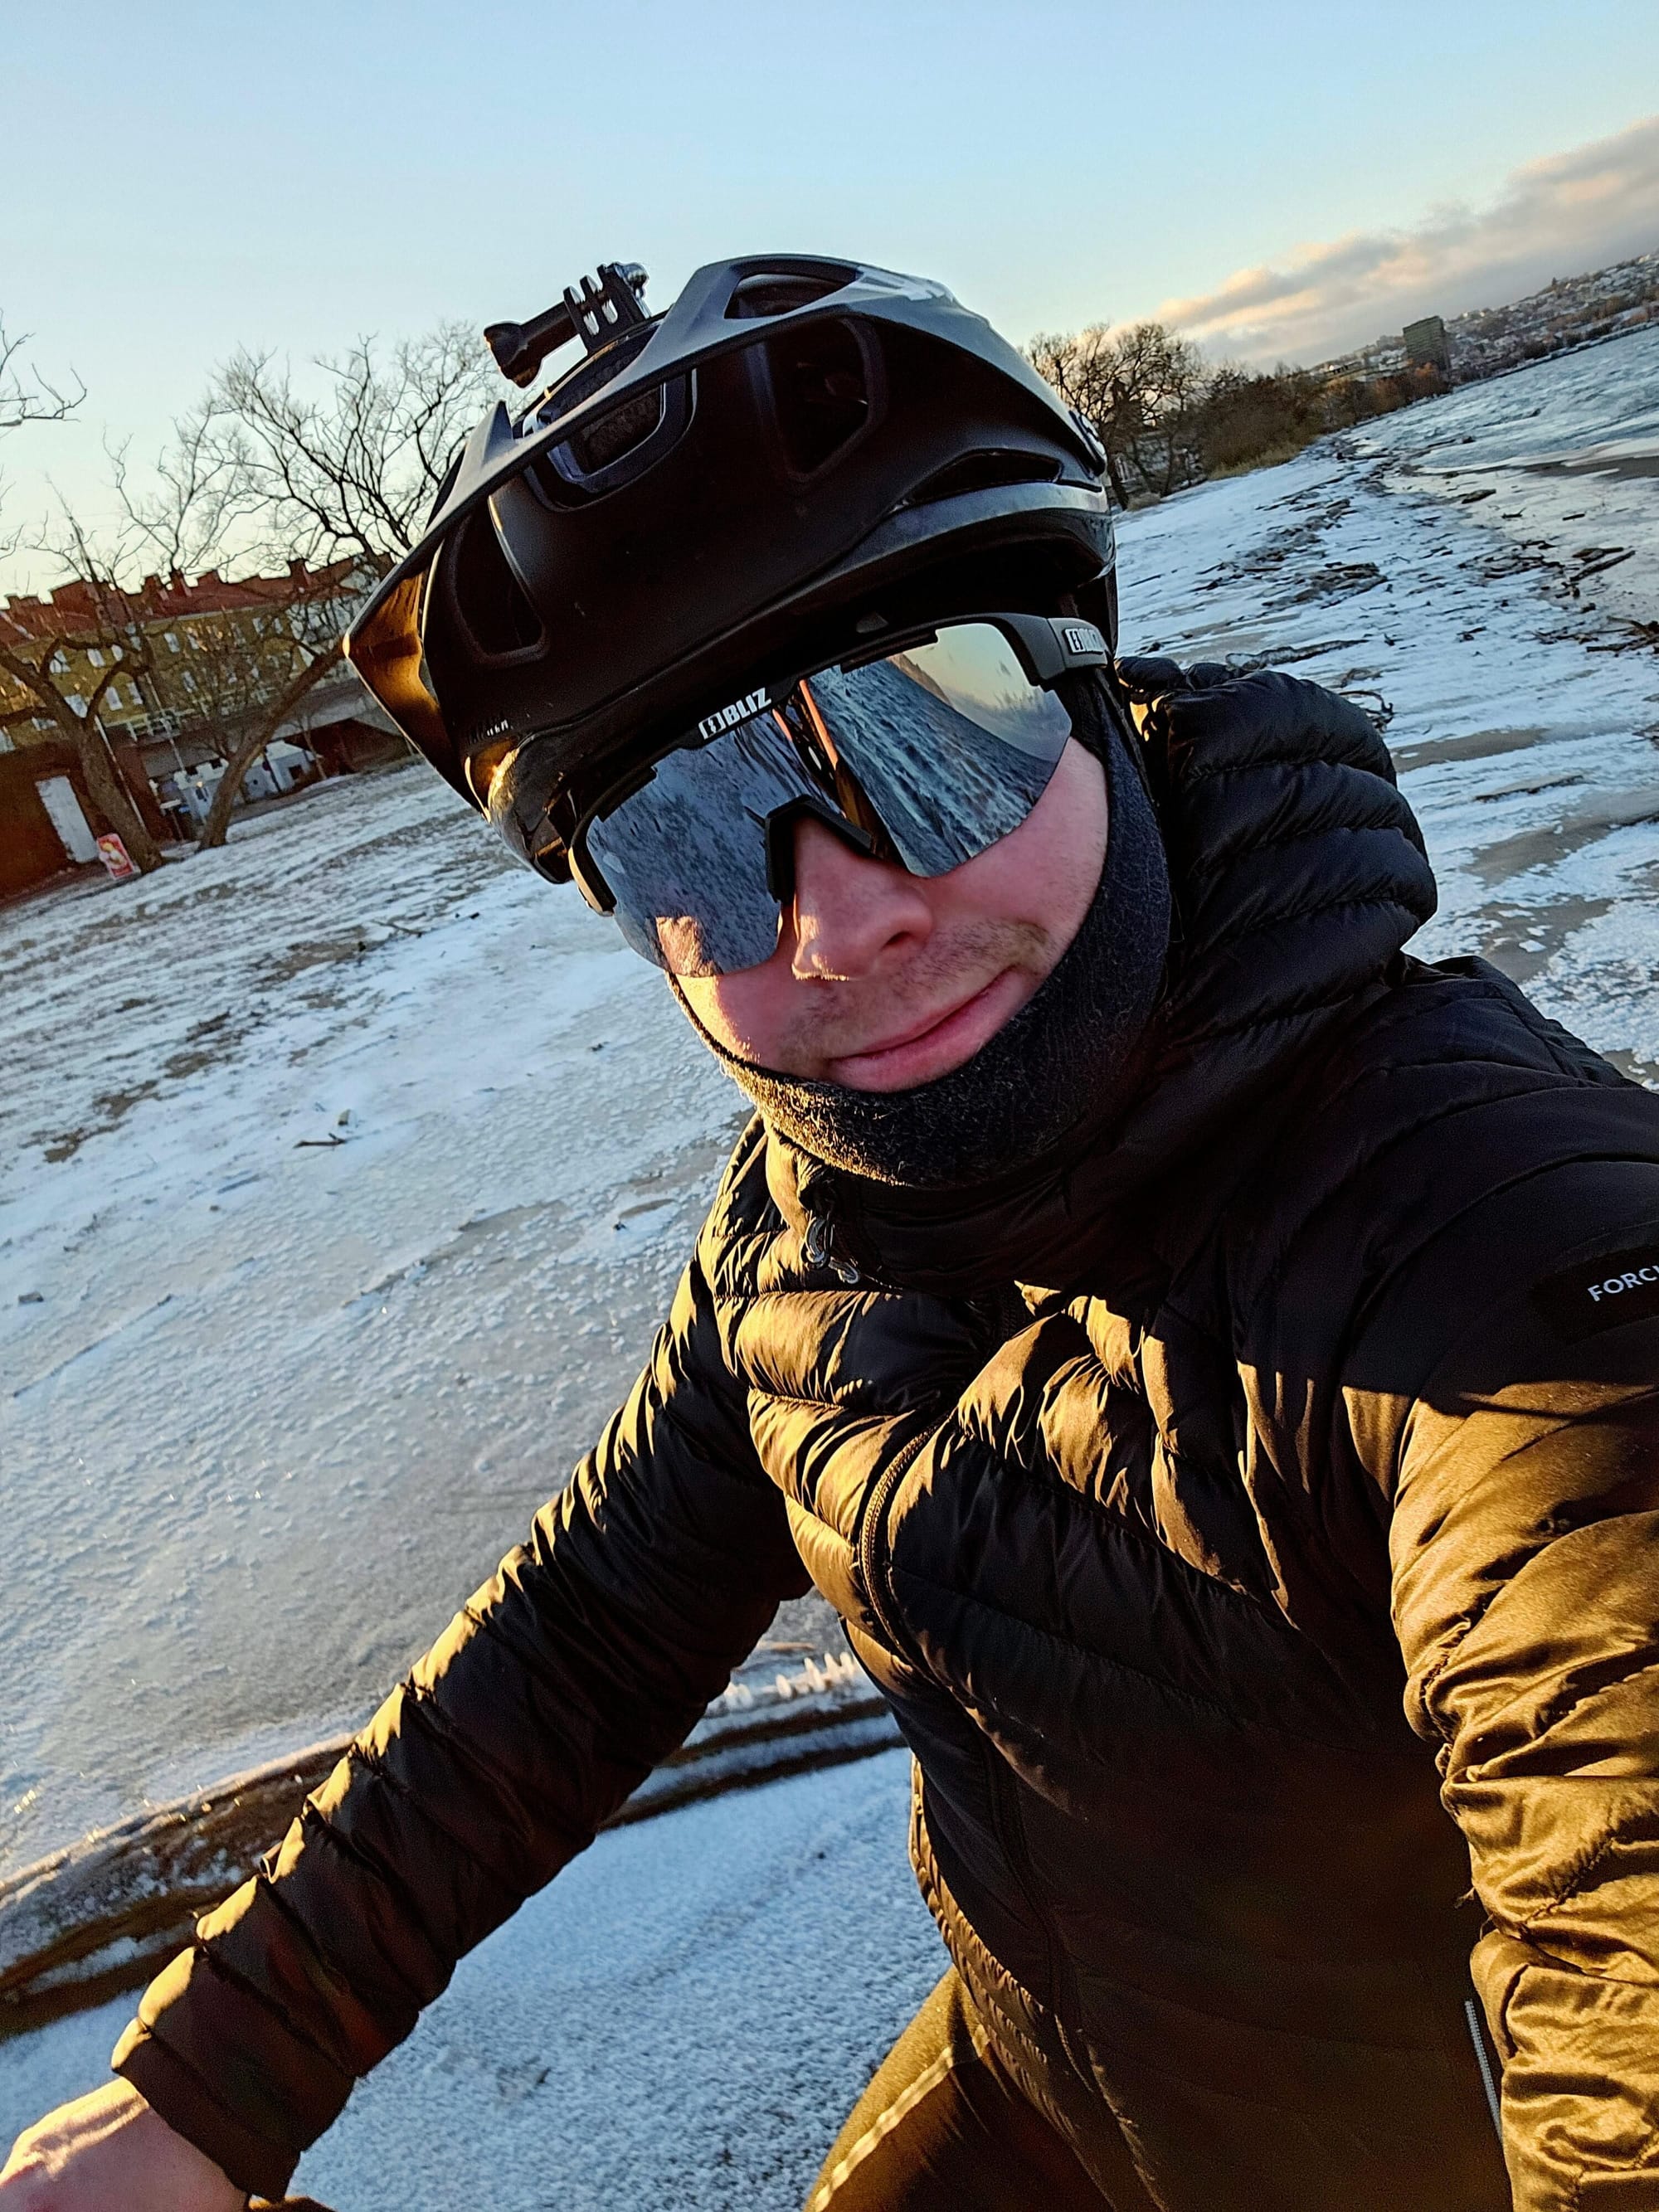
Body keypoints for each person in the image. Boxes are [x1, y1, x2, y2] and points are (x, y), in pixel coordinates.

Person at [6, 254, 1659, 2212]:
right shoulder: (812, 1228)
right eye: (692, 835)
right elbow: (583, 1633)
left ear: (1082, 685)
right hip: (1041, 2079)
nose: (840, 918)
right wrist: (205, 2083)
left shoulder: (1509, 1267)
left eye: (907, 731)